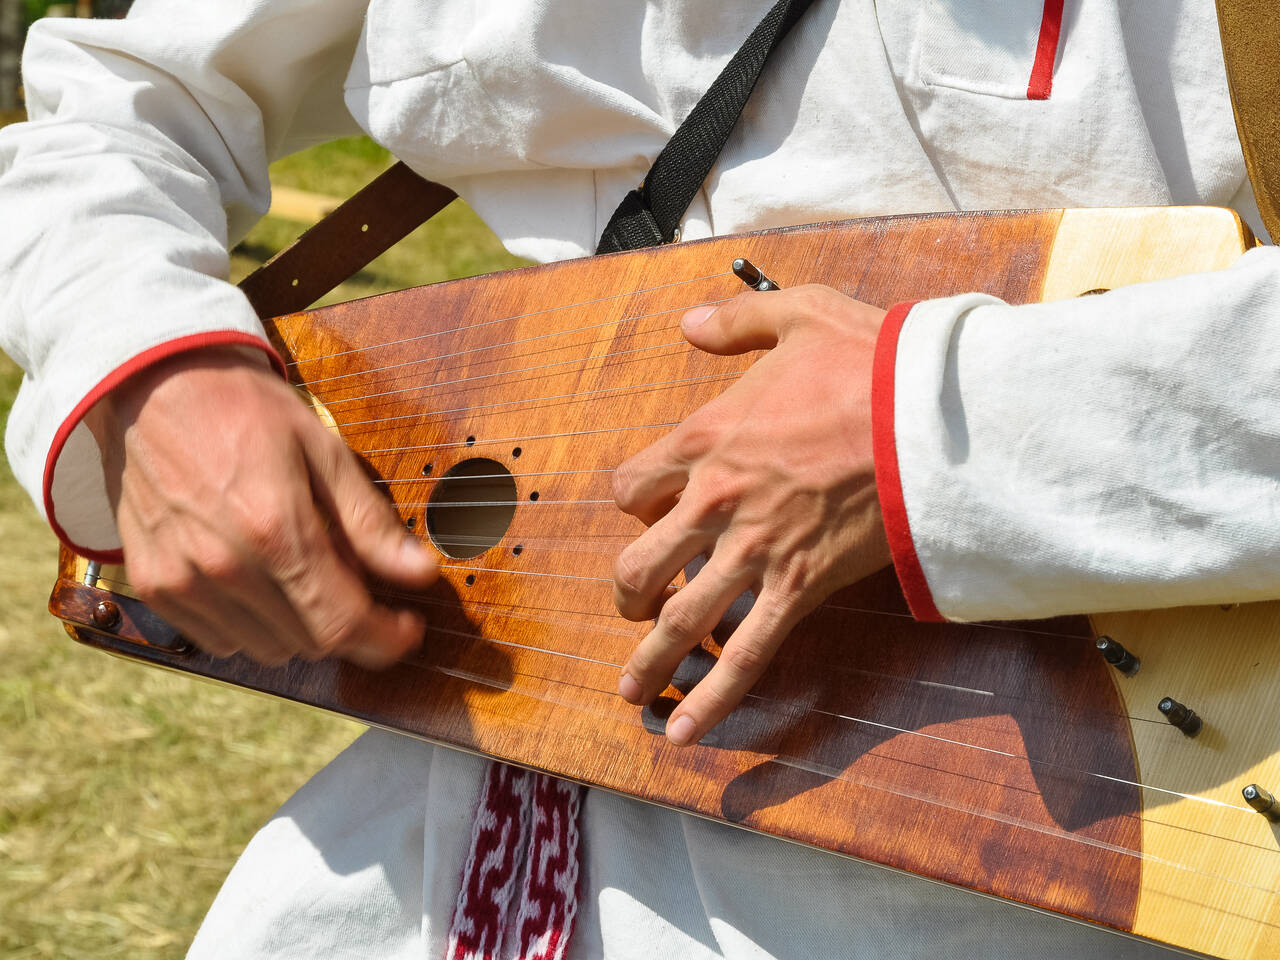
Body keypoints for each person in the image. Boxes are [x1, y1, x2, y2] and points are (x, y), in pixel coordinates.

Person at [2, 1, 1276, 957]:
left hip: (1067, 837)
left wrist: (936, 426)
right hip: (442, 844)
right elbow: (120, 104)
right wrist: (149, 368)